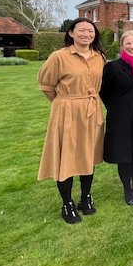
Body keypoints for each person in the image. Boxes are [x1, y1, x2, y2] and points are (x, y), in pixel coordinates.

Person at [37, 18, 105, 224]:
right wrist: (64, 103)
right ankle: (67, 203)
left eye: (90, 31)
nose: (86, 34)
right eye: (81, 30)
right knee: (65, 156)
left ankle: (86, 197)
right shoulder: (59, 56)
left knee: (88, 155)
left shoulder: (99, 57)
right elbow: (46, 85)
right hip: (66, 111)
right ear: (71, 33)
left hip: (91, 111)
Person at [100, 30, 133, 205]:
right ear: (122, 46)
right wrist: (115, 108)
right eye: (128, 43)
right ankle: (127, 190)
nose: (132, 46)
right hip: (121, 118)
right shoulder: (112, 67)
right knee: (125, 153)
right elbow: (104, 92)